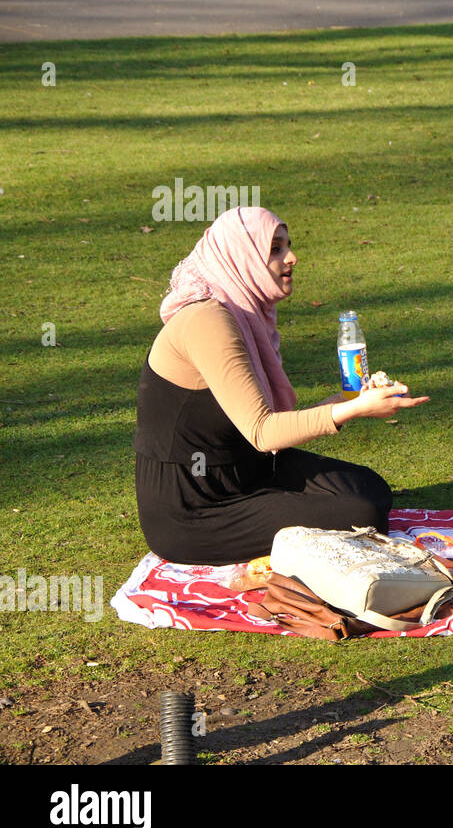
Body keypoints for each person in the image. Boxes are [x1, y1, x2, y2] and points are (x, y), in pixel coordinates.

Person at [133, 206, 427, 566]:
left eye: (287, 245)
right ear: (242, 257)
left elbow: (268, 425)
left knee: (370, 487)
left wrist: (348, 400)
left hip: (249, 472)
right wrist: (355, 408)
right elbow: (263, 431)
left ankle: (281, 508)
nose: (292, 258)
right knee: (361, 512)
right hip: (194, 510)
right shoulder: (207, 320)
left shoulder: (242, 312)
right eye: (275, 249)